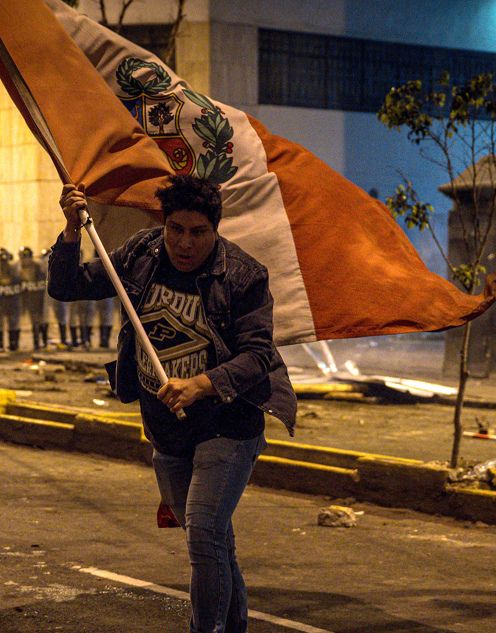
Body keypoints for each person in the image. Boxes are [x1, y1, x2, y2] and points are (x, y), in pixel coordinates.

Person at [48, 175, 295, 633]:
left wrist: (202, 383)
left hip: (227, 423)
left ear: (215, 229)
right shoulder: (142, 254)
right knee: (213, 540)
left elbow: (259, 356)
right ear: (164, 225)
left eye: (198, 232)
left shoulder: (243, 275)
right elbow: (66, 287)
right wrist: (71, 230)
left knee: (203, 535)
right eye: (175, 229)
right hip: (166, 427)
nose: (184, 242)